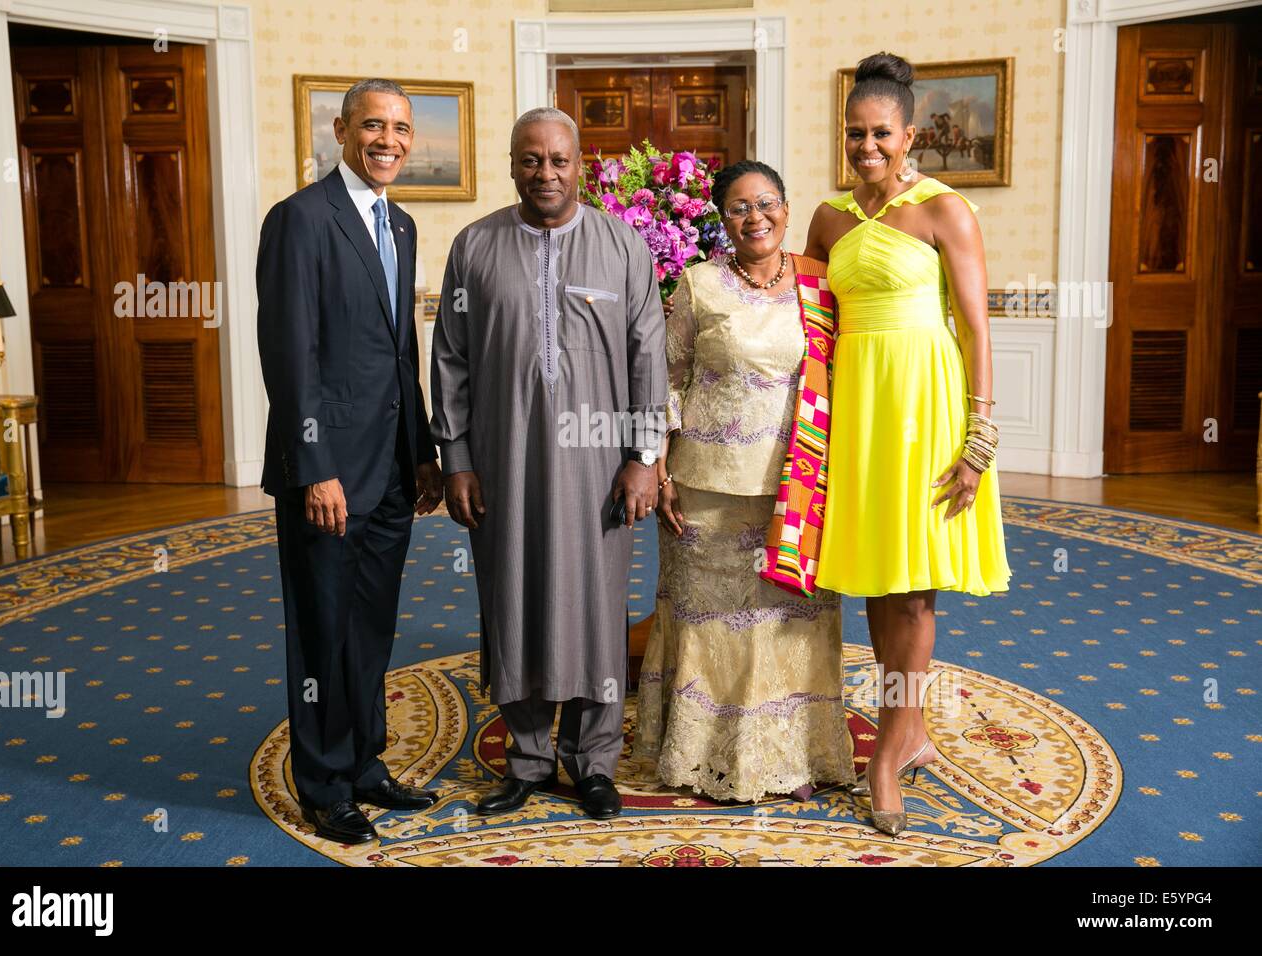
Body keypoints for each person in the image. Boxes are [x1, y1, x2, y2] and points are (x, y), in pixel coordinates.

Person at [430, 108, 666, 820]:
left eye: (559, 160)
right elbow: (451, 359)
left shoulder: (622, 245)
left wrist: (643, 457)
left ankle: (592, 761)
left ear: (579, 166)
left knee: (596, 605)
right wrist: (457, 458)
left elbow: (647, 355)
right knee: (514, 601)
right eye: (531, 160)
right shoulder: (474, 247)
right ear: (511, 165)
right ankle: (528, 759)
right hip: (503, 461)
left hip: (600, 466)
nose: (546, 173)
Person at [805, 52, 1012, 835]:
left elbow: (975, 324)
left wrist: (979, 430)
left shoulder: (944, 210)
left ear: (909, 132)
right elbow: (807, 322)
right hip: (857, 414)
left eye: (880, 134)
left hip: (926, 409)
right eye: (855, 134)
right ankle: (912, 726)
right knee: (876, 579)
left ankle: (891, 746)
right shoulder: (828, 219)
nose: (866, 147)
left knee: (916, 586)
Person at [257, 79, 444, 845]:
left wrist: (425, 451)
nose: (389, 140)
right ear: (340, 130)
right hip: (328, 473)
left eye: (401, 128)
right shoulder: (300, 219)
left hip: (392, 470)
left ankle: (365, 763)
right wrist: (315, 467)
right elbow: (289, 353)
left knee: (370, 627)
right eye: (374, 125)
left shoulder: (399, 224)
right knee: (323, 630)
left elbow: (403, 354)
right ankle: (326, 784)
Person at [633, 161, 856, 803]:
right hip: (707, 488)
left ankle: (793, 753)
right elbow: (668, 379)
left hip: (801, 486)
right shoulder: (698, 284)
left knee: (793, 624)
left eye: (766, 203)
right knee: (711, 625)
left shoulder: (822, 285)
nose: (754, 216)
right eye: (737, 207)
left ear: (787, 208)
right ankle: (703, 755)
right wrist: (659, 465)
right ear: (720, 219)